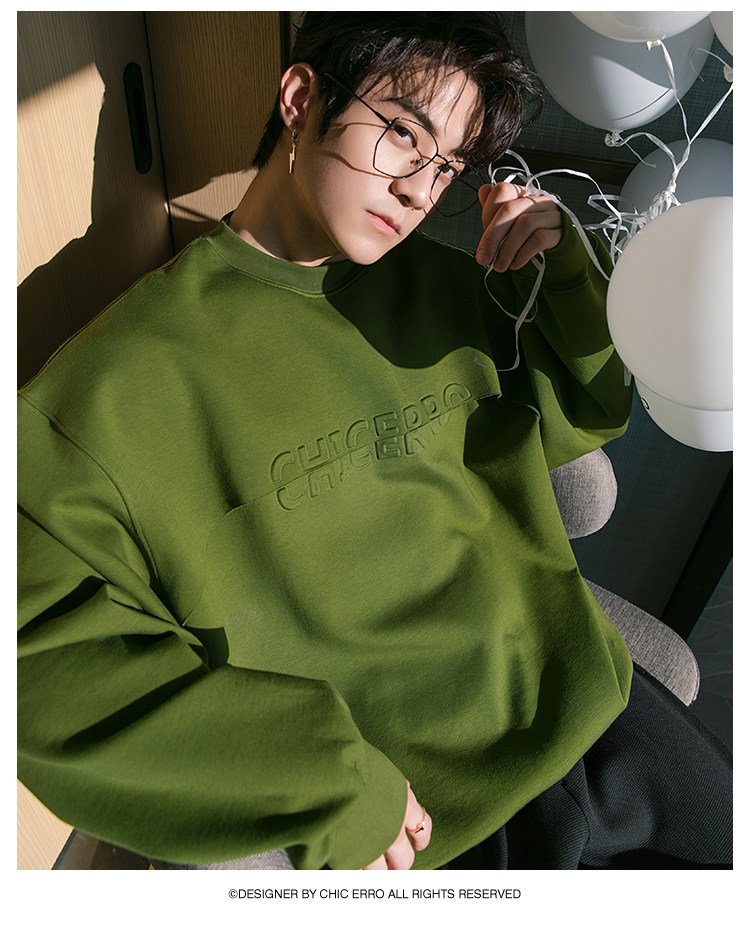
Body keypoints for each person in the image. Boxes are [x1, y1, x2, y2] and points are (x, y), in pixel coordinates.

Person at [17, 12, 730, 871]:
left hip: (605, 713)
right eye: (402, 134)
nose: (420, 192)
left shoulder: (453, 287)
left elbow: (590, 409)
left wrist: (564, 270)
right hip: (433, 819)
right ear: (300, 98)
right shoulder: (109, 386)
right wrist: (315, 776)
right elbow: (37, 664)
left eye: (447, 166)